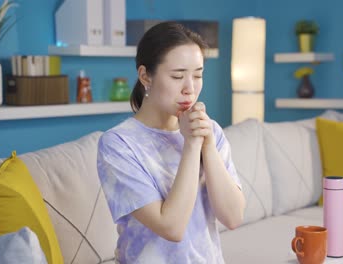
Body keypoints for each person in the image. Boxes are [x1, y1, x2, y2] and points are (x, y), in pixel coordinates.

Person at [97, 21, 246, 264]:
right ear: (145, 76)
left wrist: (207, 144)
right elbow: (171, 227)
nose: (190, 88)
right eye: (177, 76)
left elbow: (233, 217)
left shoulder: (211, 132)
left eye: (198, 75)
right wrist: (191, 145)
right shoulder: (118, 144)